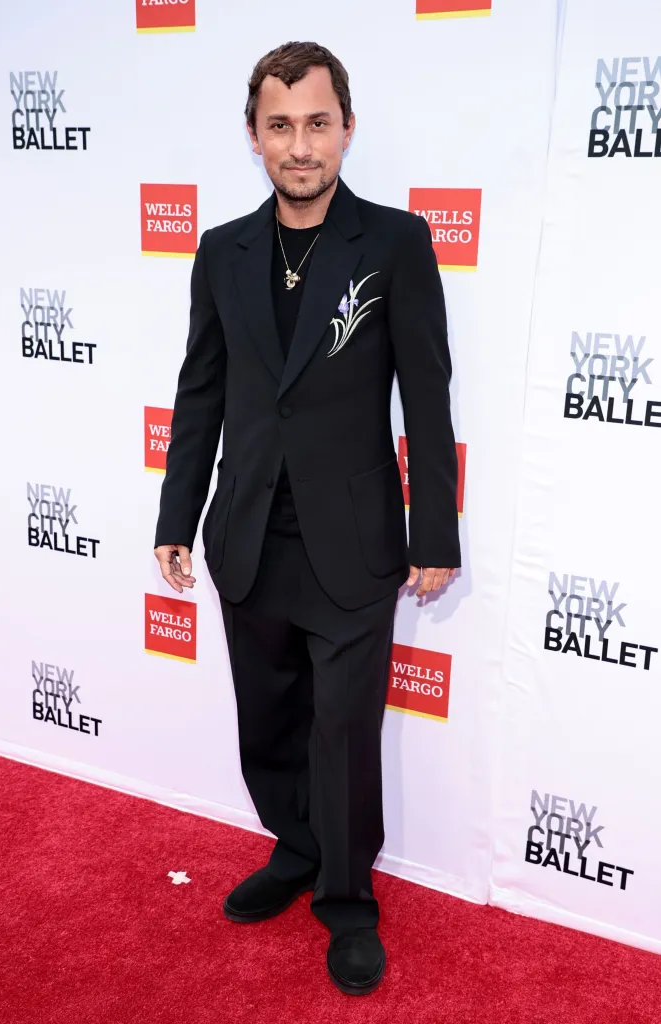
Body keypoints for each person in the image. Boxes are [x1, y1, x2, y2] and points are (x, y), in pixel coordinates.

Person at [153, 40, 460, 996]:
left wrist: (434, 533)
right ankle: (292, 849)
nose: (299, 145)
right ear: (254, 137)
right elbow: (201, 391)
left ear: (346, 129)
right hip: (248, 531)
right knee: (269, 719)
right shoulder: (222, 251)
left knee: (342, 732)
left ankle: (347, 898)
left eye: (316, 123)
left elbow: (428, 395)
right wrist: (176, 514)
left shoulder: (395, 243)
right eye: (280, 125)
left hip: (356, 538)